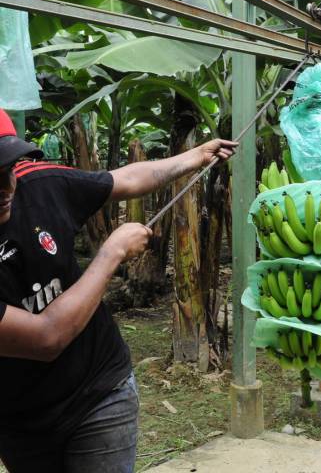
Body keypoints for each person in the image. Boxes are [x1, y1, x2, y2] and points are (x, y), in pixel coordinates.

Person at [0, 108, 237, 473]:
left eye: (8, 168)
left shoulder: (40, 183)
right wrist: (111, 253)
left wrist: (194, 157)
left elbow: (122, 179)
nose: (6, 188)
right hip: (19, 420)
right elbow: (46, 337)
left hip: (99, 390)